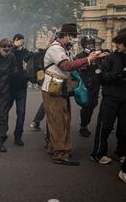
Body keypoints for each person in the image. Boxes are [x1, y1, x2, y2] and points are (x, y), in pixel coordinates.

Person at [41, 23, 107, 166]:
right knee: (59, 120)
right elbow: (66, 66)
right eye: (73, 36)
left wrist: (91, 58)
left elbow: (74, 64)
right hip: (54, 88)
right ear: (65, 36)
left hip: (59, 87)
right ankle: (60, 153)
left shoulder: (63, 49)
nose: (74, 40)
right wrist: (89, 59)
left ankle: (55, 148)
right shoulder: (56, 49)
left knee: (63, 118)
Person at [91, 30, 126, 165]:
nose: (116, 45)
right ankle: (98, 153)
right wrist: (118, 74)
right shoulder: (110, 58)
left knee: (124, 128)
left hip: (124, 98)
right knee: (105, 126)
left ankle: (121, 152)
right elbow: (103, 77)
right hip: (110, 97)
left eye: (119, 43)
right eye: (116, 43)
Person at [10, 34, 33, 146]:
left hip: (22, 88)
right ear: (14, 40)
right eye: (18, 40)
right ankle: (1, 133)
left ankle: (18, 135)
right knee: (4, 112)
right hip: (9, 87)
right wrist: (14, 47)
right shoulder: (10, 50)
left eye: (22, 40)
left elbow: (31, 63)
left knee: (21, 112)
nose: (21, 42)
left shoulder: (26, 52)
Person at [76, 36, 101, 137]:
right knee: (86, 106)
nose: (91, 46)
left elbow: (99, 67)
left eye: (92, 43)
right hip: (85, 85)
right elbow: (78, 70)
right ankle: (83, 126)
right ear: (84, 45)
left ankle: (85, 124)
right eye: (89, 44)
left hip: (95, 85)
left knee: (93, 105)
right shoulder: (80, 56)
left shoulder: (97, 55)